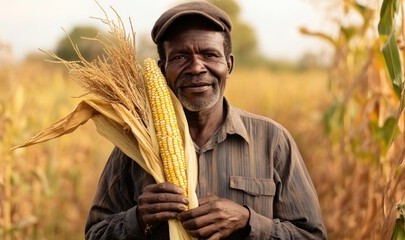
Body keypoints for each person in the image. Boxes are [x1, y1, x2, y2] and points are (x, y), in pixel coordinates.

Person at [85, 1, 327, 239]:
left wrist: (247, 221)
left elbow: (311, 236)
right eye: (180, 57)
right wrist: (137, 219)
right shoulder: (135, 144)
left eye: (209, 55)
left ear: (228, 65)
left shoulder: (273, 140)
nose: (196, 68)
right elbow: (95, 234)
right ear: (162, 70)